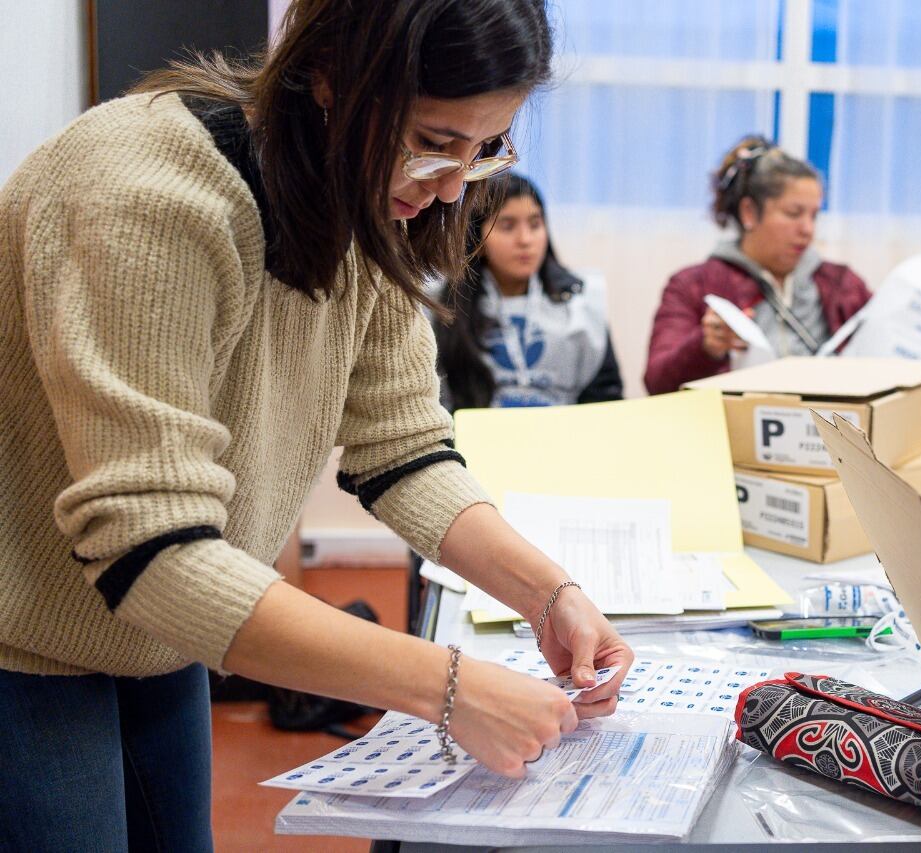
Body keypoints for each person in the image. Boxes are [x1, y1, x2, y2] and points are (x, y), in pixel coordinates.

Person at [0, 1, 633, 849]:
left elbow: (404, 447)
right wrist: (447, 686)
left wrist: (548, 593)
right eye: (435, 141)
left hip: (158, 634)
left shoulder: (373, 198)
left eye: (487, 148)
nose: (454, 186)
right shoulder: (145, 196)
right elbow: (150, 547)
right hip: (24, 638)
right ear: (331, 76)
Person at [644, 135, 871, 394]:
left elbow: (889, 354)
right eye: (793, 213)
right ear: (749, 212)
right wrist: (705, 347)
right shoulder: (695, 285)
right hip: (734, 429)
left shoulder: (842, 284)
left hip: (830, 427)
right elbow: (657, 382)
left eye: (814, 215)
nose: (808, 229)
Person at [434, 172, 623, 409]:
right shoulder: (443, 305)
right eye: (507, 226)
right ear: (477, 239)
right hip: (475, 439)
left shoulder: (580, 300)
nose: (525, 239)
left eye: (535, 224)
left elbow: (605, 398)